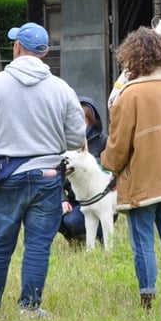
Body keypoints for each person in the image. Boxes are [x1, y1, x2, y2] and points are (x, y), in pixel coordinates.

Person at [0, 22, 86, 319]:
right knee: (38, 246)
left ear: (16, 47)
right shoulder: (61, 89)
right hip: (48, 177)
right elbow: (77, 138)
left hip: (7, 176)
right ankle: (30, 307)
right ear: (45, 52)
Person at [101, 26, 161, 311]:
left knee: (142, 242)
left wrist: (108, 165)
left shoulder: (130, 95)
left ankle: (147, 299)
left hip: (143, 181)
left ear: (133, 57)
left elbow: (118, 147)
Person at [58, 97, 109, 245]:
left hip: (101, 199)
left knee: (74, 220)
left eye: (84, 120)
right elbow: (56, 175)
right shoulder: (64, 146)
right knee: (51, 215)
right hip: (75, 199)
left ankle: (99, 236)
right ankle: (75, 240)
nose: (79, 125)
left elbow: (113, 170)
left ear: (91, 120)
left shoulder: (104, 142)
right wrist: (63, 199)